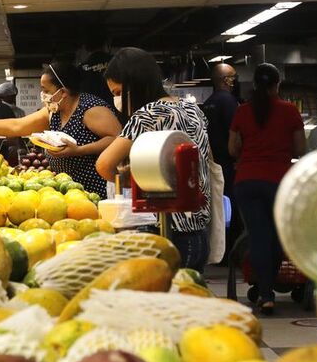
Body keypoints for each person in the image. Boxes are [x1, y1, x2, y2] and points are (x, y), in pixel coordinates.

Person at [96, 47, 212, 271]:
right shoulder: (193, 109)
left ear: (135, 84)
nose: (116, 100)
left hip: (165, 233)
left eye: (119, 92)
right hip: (198, 233)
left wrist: (132, 179)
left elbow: (104, 165)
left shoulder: (147, 115)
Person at [0, 62, 120, 198]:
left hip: (92, 190)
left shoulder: (90, 108)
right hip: (65, 189)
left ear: (63, 91)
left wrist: (79, 150)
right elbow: (16, 126)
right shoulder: (53, 110)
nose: (42, 94)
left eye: (45, 90)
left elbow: (117, 138)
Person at [228, 63, 306, 315]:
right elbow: (300, 150)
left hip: (247, 182)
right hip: (279, 182)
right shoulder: (290, 111)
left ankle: (265, 293)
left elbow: (232, 149)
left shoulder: (242, 112)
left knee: (259, 235)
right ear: (277, 84)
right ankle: (266, 291)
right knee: (275, 236)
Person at [201, 63, 240, 257]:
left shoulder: (208, 102)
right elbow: (236, 134)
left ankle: (220, 248)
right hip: (229, 164)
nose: (235, 81)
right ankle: (232, 251)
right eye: (234, 77)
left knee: (219, 208)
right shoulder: (229, 101)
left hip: (212, 164)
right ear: (226, 80)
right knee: (232, 209)